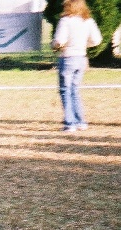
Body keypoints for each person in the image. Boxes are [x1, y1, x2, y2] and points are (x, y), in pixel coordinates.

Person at [51, 0, 102, 133]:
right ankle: (81, 121)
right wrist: (84, 45)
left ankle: (70, 123)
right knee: (75, 90)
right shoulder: (88, 21)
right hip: (81, 58)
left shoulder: (66, 21)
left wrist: (55, 45)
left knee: (65, 90)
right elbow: (96, 40)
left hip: (68, 58)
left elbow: (59, 41)